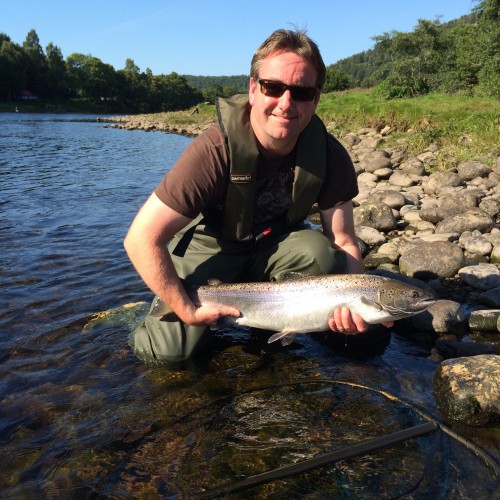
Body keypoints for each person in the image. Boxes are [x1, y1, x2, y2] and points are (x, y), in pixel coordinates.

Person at [124, 28, 387, 366]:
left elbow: (345, 240)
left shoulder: (329, 155)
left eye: (302, 91)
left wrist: (354, 306)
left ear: (316, 99)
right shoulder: (215, 150)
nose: (286, 103)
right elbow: (141, 239)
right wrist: (186, 309)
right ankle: (133, 324)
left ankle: (271, 324)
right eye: (273, 87)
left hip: (278, 248)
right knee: (168, 353)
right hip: (215, 243)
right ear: (253, 89)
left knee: (324, 255)